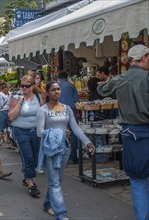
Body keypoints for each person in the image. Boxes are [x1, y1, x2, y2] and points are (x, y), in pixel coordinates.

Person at [97, 44, 149, 220]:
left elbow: (101, 90)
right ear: (145, 57)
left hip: (131, 134)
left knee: (137, 180)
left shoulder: (120, 78)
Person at [36, 81, 95, 220]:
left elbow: (75, 128)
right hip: (50, 150)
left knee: (57, 180)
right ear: (47, 92)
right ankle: (61, 215)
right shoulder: (42, 110)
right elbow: (39, 133)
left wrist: (87, 142)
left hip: (64, 149)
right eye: (53, 90)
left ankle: (47, 203)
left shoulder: (67, 109)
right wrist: (59, 133)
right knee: (55, 182)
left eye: (58, 89)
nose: (57, 92)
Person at [8, 75, 41, 197]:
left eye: (27, 86)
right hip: (20, 131)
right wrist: (20, 102)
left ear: (32, 86)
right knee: (27, 156)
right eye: (22, 86)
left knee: (35, 156)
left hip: (35, 131)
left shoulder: (38, 97)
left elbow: (43, 113)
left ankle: (27, 177)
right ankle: (31, 183)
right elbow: (11, 116)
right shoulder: (16, 98)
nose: (24, 88)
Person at [58, 71, 79, 165]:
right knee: (74, 133)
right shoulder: (70, 85)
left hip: (57, 111)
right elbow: (76, 100)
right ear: (66, 77)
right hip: (70, 110)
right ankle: (73, 157)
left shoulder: (53, 86)